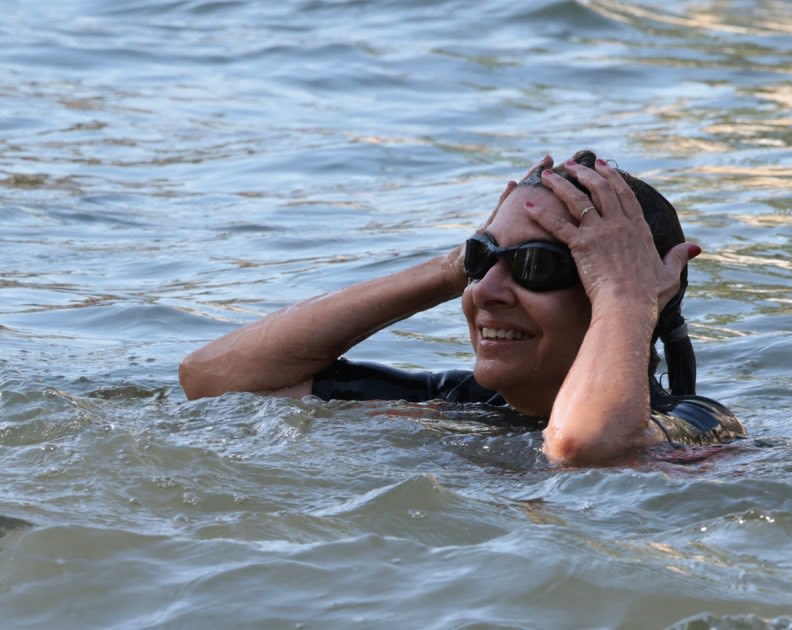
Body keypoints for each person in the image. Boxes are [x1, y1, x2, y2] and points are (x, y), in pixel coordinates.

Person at [179, 151, 744, 465]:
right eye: (483, 261)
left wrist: (626, 296)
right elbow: (216, 380)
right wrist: (455, 266)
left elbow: (584, 445)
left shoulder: (698, 425)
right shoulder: (461, 406)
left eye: (535, 268)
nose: (488, 291)